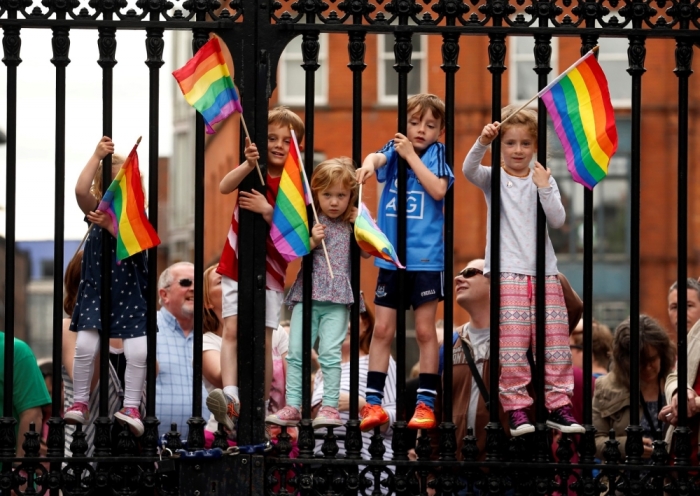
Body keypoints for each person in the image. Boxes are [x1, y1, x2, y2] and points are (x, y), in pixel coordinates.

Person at [462, 106, 584, 437]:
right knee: (513, 344)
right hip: (507, 273)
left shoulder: (542, 179)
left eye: (525, 144)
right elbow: (468, 169)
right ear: (502, 146)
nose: (518, 150)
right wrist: (483, 141)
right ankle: (517, 409)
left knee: (554, 339)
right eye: (511, 143)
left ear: (535, 147)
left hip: (545, 273)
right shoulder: (494, 178)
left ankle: (559, 405)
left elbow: (558, 220)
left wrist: (545, 186)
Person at [355, 93, 455, 431]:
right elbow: (377, 157)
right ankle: (373, 403)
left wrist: (411, 156)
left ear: (440, 130)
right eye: (414, 123)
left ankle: (425, 405)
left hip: (426, 260)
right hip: (391, 258)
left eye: (429, 125)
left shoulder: (437, 155)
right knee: (382, 329)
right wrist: (369, 164)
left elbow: (438, 190)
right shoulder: (396, 148)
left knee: (426, 331)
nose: (420, 130)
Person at [207, 107, 305, 433]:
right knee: (232, 330)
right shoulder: (252, 172)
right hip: (237, 262)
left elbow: (296, 234)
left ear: (298, 148)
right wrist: (248, 164)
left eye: (286, 141)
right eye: (271, 138)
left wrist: (267, 210)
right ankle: (232, 395)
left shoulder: (295, 187)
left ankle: (259, 408)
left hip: (272, 272)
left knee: (263, 339)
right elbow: (223, 186)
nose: (278, 145)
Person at [266, 157, 365, 429]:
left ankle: (330, 407)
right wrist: (312, 239)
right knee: (297, 353)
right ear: (316, 194)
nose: (334, 202)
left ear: (350, 196)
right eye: (327, 195)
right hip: (307, 296)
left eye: (341, 195)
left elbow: (369, 252)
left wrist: (363, 223)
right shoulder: (310, 220)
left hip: (338, 297)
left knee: (330, 355)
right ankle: (293, 406)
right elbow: (294, 251)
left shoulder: (351, 222)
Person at [64, 136, 149, 437]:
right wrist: (97, 154)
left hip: (131, 294)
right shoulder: (95, 212)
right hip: (97, 291)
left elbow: (136, 248)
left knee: (138, 352)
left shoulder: (138, 220)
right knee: (85, 346)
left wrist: (110, 226)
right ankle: (79, 402)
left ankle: (131, 407)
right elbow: (78, 190)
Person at [311, 302, 397, 459]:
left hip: (364, 468)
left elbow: (397, 420)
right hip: (321, 463)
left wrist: (360, 405)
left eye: (349, 317)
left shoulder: (378, 362)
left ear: (365, 325)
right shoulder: (322, 371)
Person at [61, 250, 123, 456]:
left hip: (129, 450)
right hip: (86, 449)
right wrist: (93, 318)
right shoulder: (69, 328)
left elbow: (152, 374)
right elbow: (87, 381)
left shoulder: (130, 332)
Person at [592, 315, 675, 460]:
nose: (648, 367)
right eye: (641, 362)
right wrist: (628, 446)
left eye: (653, 359)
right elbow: (593, 441)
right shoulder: (606, 387)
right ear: (625, 361)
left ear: (662, 353)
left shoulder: (676, 384)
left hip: (670, 478)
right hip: (624, 478)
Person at [156, 261, 210, 439]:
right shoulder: (147, 329)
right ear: (164, 295)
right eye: (186, 282)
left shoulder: (212, 332)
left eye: (199, 284)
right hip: (153, 451)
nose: (194, 288)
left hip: (209, 450)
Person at [660, 318, 700, 464]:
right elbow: (675, 375)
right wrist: (678, 392)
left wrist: (693, 403)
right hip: (680, 458)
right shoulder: (698, 328)